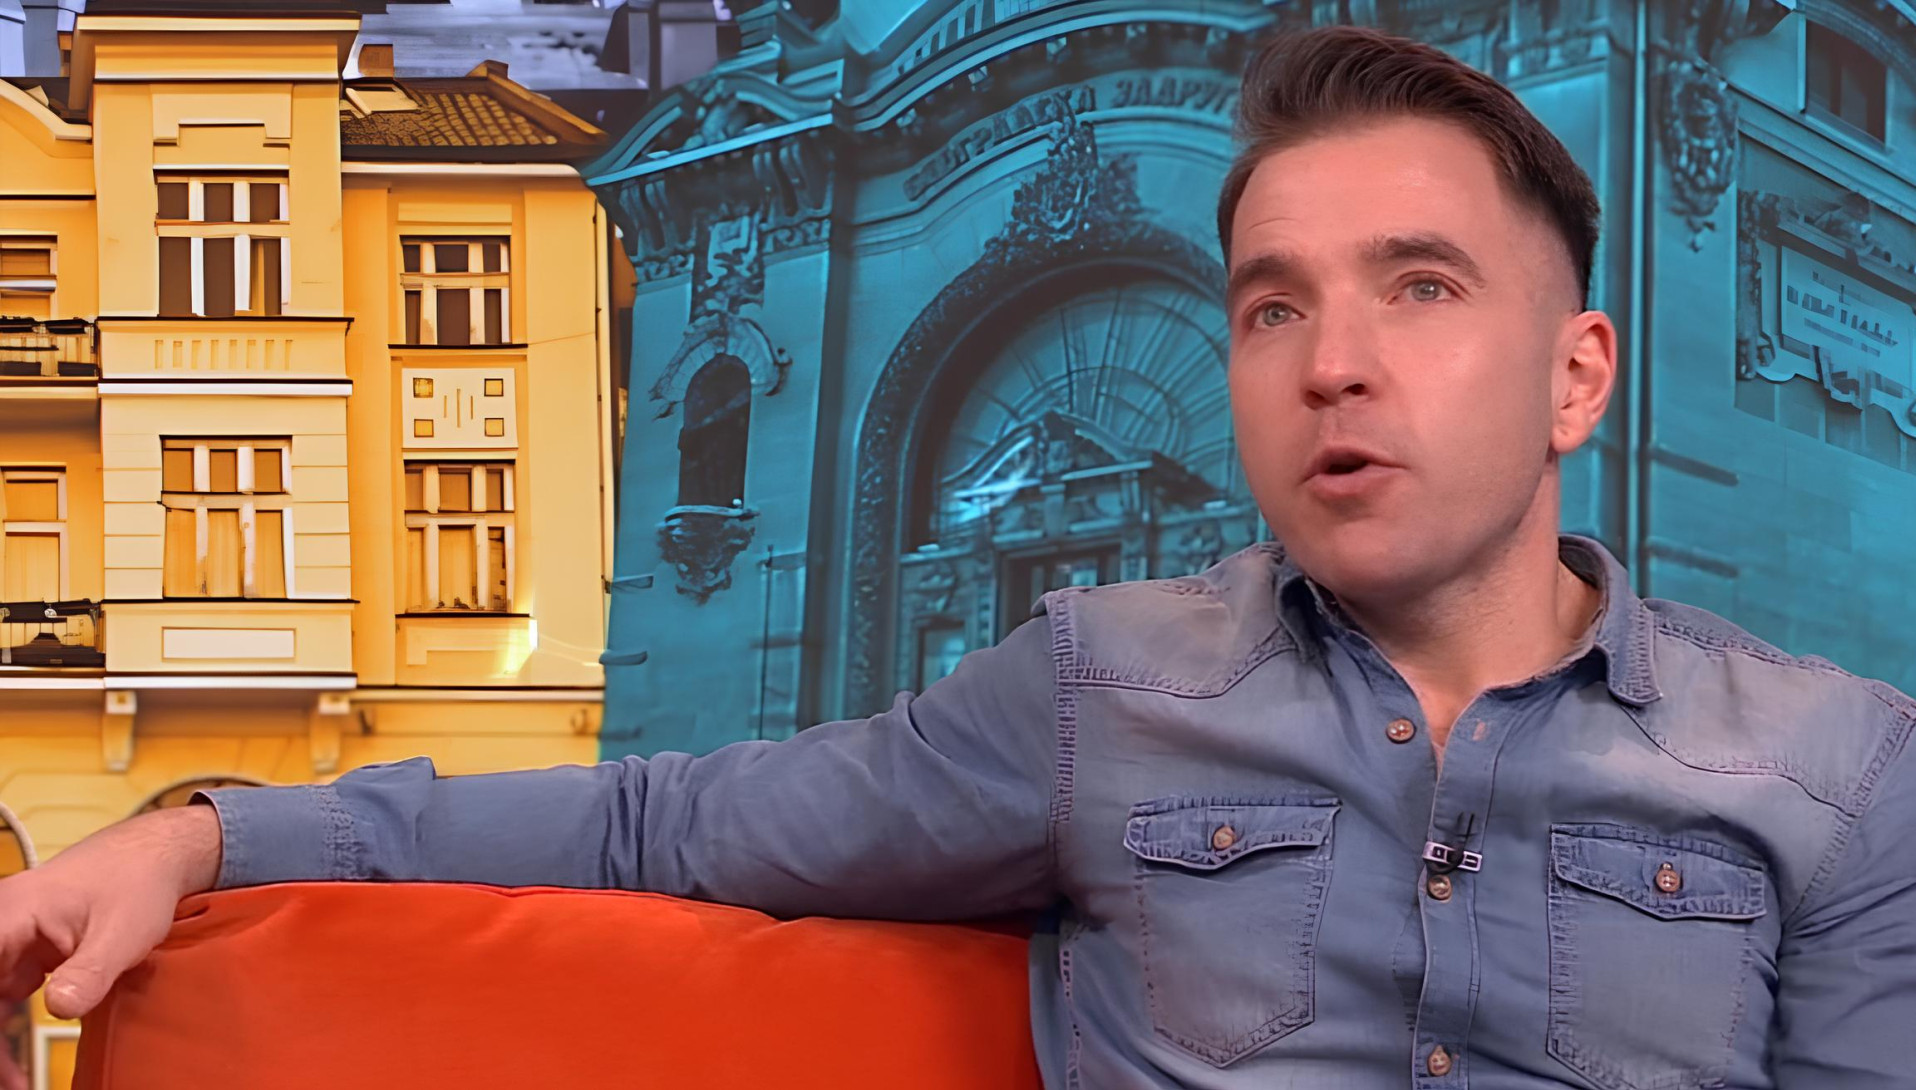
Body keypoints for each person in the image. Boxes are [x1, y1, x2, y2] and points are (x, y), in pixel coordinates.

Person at [4, 25, 1913, 1090]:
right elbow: (672, 824)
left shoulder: (1837, 770)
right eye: (1269, 306)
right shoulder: (1100, 691)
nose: (1332, 360)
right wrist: (209, 832)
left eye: (1420, 286)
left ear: (1578, 373)